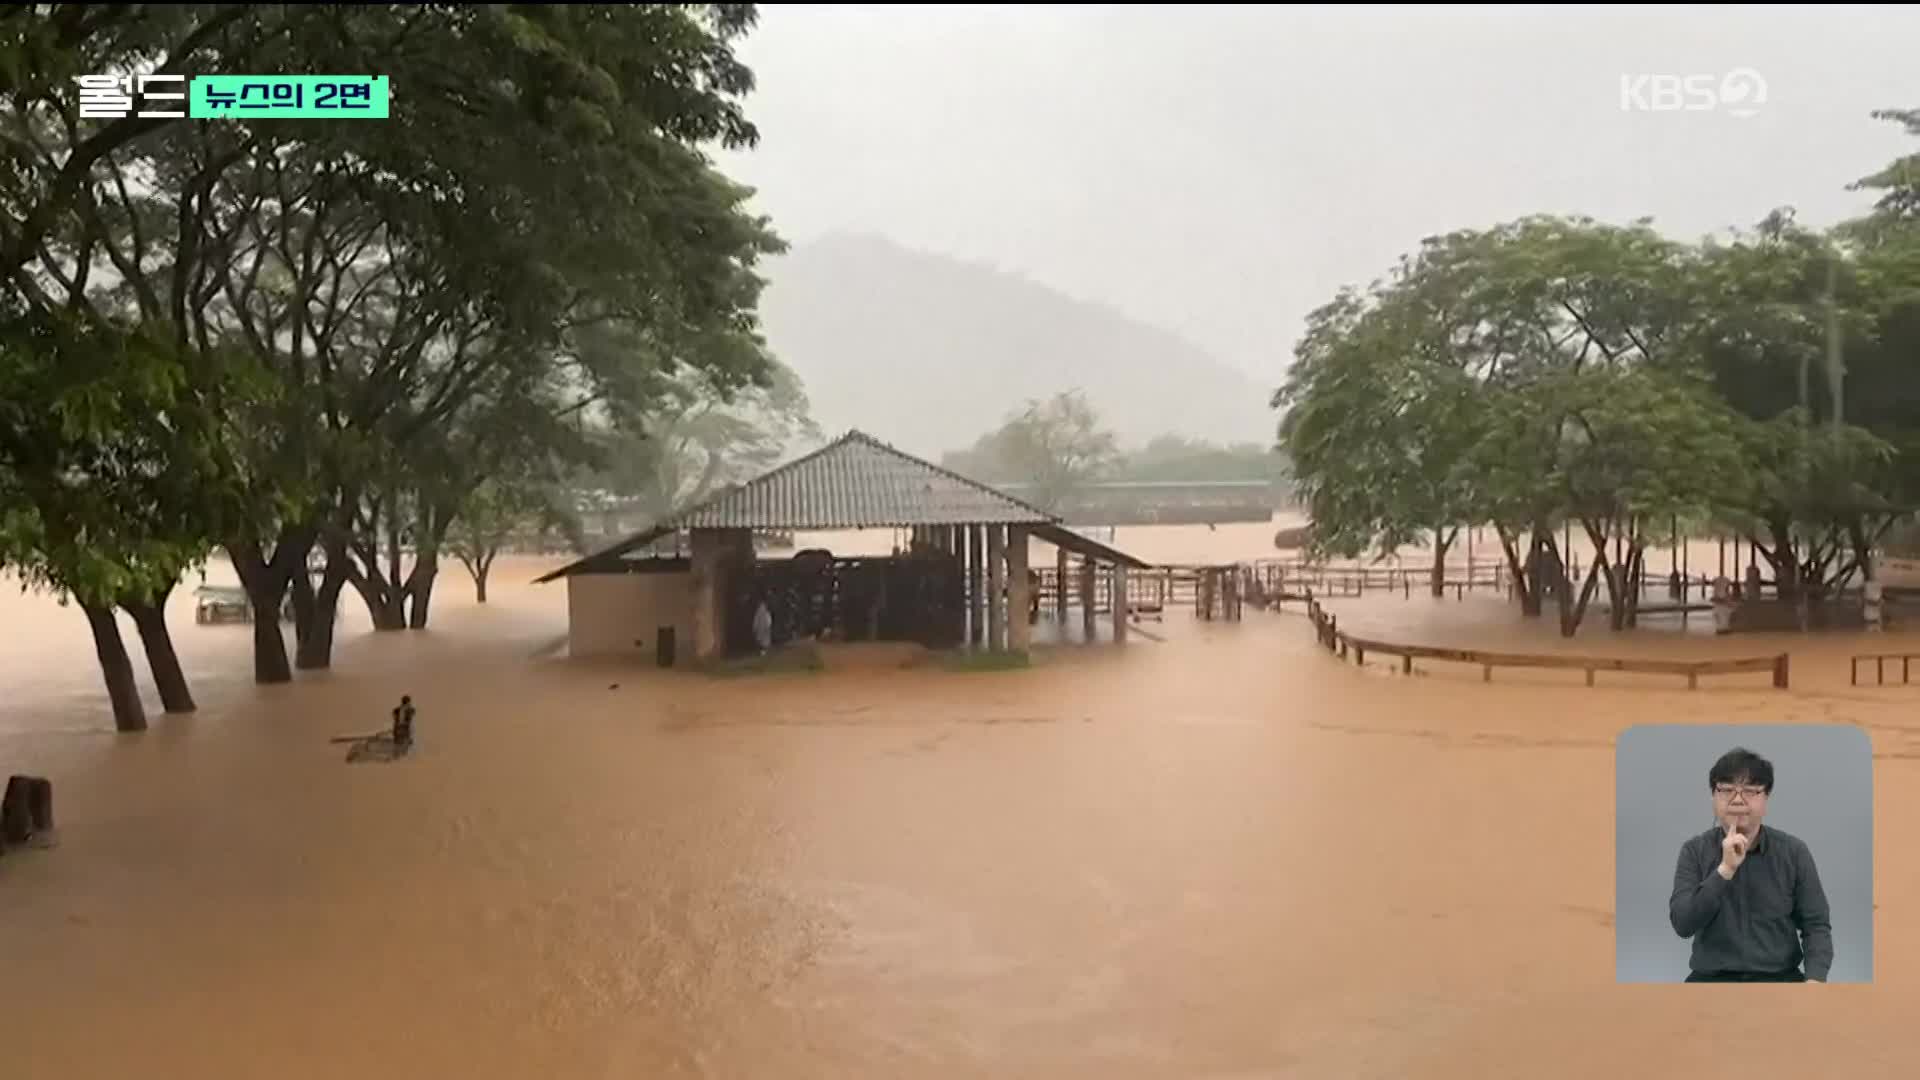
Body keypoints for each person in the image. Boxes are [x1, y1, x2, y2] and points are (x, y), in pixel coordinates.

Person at [1668, 747, 1832, 982]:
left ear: (1766, 798)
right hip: (1711, 980)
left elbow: (1816, 925)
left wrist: (1815, 980)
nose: (1737, 799)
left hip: (1780, 979)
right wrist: (1725, 870)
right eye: (1726, 789)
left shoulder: (1794, 852)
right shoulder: (1694, 851)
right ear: (1713, 796)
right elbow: (1683, 924)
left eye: (1750, 790)